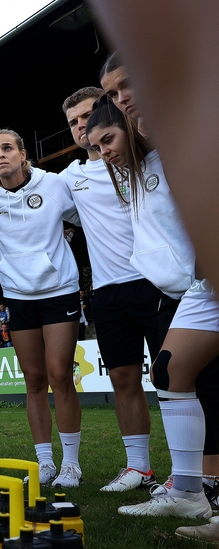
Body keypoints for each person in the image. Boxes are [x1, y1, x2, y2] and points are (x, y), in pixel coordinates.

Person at [87, 95, 218, 519]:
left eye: (108, 139)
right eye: (96, 144)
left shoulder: (171, 154)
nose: (103, 150)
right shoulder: (133, 173)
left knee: (184, 376)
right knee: (174, 374)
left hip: (203, 281)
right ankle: (193, 489)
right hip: (183, 289)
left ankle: (198, 488)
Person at [58, 87, 164, 492]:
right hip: (107, 290)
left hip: (156, 282)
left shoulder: (140, 156)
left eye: (87, 115)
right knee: (123, 377)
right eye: (73, 122)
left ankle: (195, 471)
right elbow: (25, 190)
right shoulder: (70, 178)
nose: (82, 125)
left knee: (174, 377)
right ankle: (139, 468)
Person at [0, 129, 83, 488]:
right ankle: (45, 463)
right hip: (18, 295)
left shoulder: (54, 184)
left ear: (22, 154)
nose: (0, 155)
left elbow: (86, 216)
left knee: (60, 375)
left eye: (7, 148)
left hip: (60, 290)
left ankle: (71, 466)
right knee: (33, 381)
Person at [88, 0, 219, 293]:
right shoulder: (135, 157)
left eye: (128, 83)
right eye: (112, 93)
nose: (121, 98)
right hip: (176, 288)